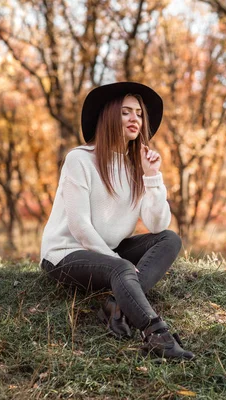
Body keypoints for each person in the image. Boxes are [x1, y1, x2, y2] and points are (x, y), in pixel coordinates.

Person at [40, 82, 194, 361]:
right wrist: (116, 262)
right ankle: (157, 335)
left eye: (138, 113)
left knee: (170, 239)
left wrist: (152, 177)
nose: (134, 118)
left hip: (110, 254)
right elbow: (80, 226)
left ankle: (116, 305)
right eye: (125, 112)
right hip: (65, 254)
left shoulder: (136, 166)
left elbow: (158, 224)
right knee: (121, 268)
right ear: (109, 116)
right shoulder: (80, 159)